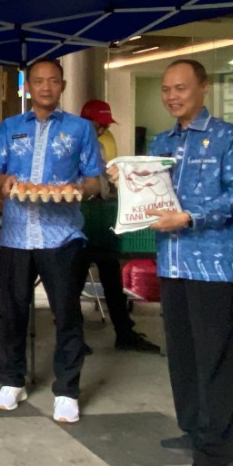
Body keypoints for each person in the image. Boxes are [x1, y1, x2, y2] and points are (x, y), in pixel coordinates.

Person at [137, 59, 233, 466]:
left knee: (216, 359)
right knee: (183, 354)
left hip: (215, 265)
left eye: (181, 88)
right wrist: (126, 180)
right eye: (166, 89)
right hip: (172, 262)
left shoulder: (229, 137)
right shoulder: (161, 141)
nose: (172, 96)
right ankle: (193, 428)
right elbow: (149, 195)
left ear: (203, 88)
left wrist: (190, 217)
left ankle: (216, 455)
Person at [0, 59, 103, 424]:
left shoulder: (80, 129)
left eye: (53, 81)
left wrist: (78, 190)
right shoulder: (10, 127)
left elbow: (94, 180)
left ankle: (67, 390)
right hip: (16, 234)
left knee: (66, 314)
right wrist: (3, 183)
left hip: (61, 236)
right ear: (29, 87)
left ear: (62, 85)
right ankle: (12, 380)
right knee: (12, 312)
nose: (46, 87)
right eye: (39, 81)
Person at [78, 99, 159, 353]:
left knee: (111, 278)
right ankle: (74, 338)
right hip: (79, 220)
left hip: (100, 219)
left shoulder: (100, 146)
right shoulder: (73, 144)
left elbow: (102, 181)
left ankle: (123, 332)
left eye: (105, 126)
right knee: (75, 281)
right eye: (99, 125)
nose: (103, 129)